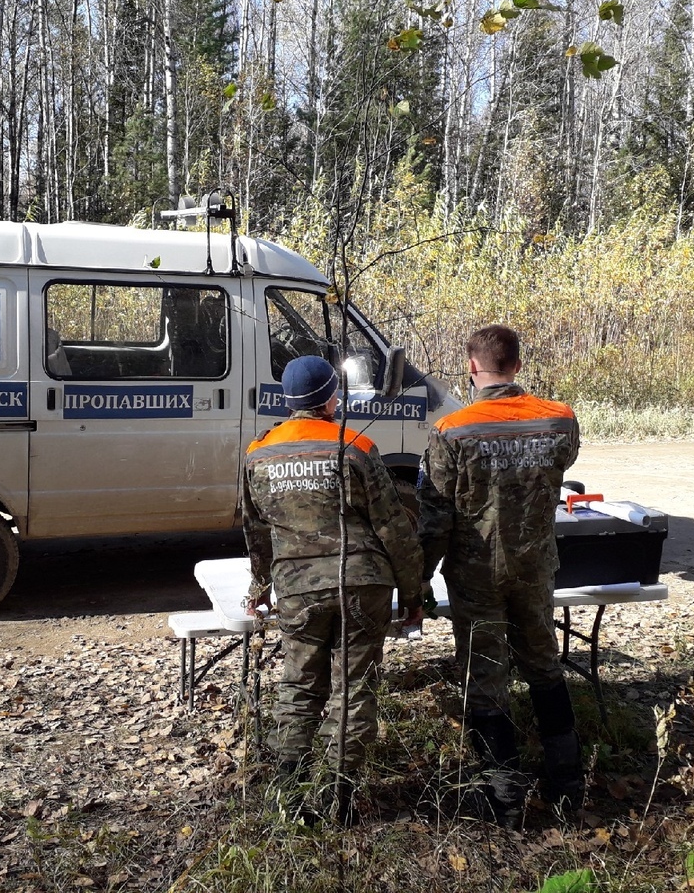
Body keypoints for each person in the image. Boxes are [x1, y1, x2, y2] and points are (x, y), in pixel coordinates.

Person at [242, 354, 424, 824]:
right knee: (353, 689)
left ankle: (289, 791)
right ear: (330, 398)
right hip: (362, 583)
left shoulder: (258, 453)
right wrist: (413, 593)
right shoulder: (355, 447)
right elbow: (393, 527)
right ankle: (336, 797)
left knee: (299, 683)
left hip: (297, 589)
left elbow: (256, 531)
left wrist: (261, 584)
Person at [417, 324, 584, 825]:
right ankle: (568, 783)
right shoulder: (559, 420)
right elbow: (564, 464)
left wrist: (419, 578)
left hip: (475, 574)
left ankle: (504, 799)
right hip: (535, 567)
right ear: (516, 363)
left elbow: (435, 517)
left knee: (485, 679)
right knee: (544, 665)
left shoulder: (452, 432)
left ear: (472, 367)